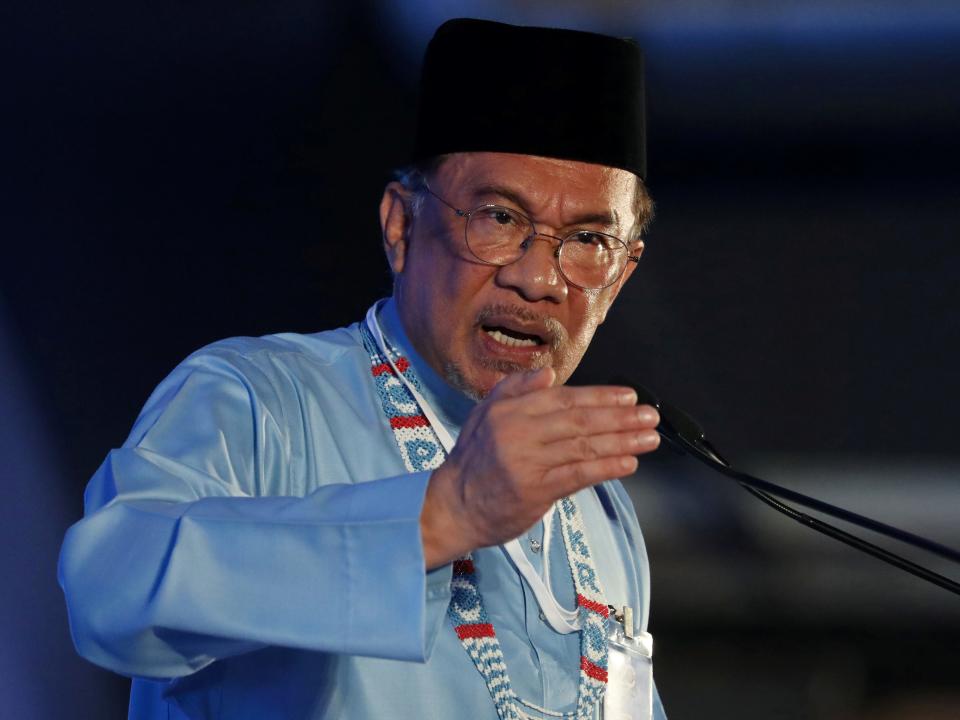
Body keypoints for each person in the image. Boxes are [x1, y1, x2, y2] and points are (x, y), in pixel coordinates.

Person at [59, 18, 667, 720]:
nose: (539, 279)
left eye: (589, 239)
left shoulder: (595, 500)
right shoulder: (261, 400)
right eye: (499, 218)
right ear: (401, 227)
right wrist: (441, 516)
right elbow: (108, 588)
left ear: (619, 277)